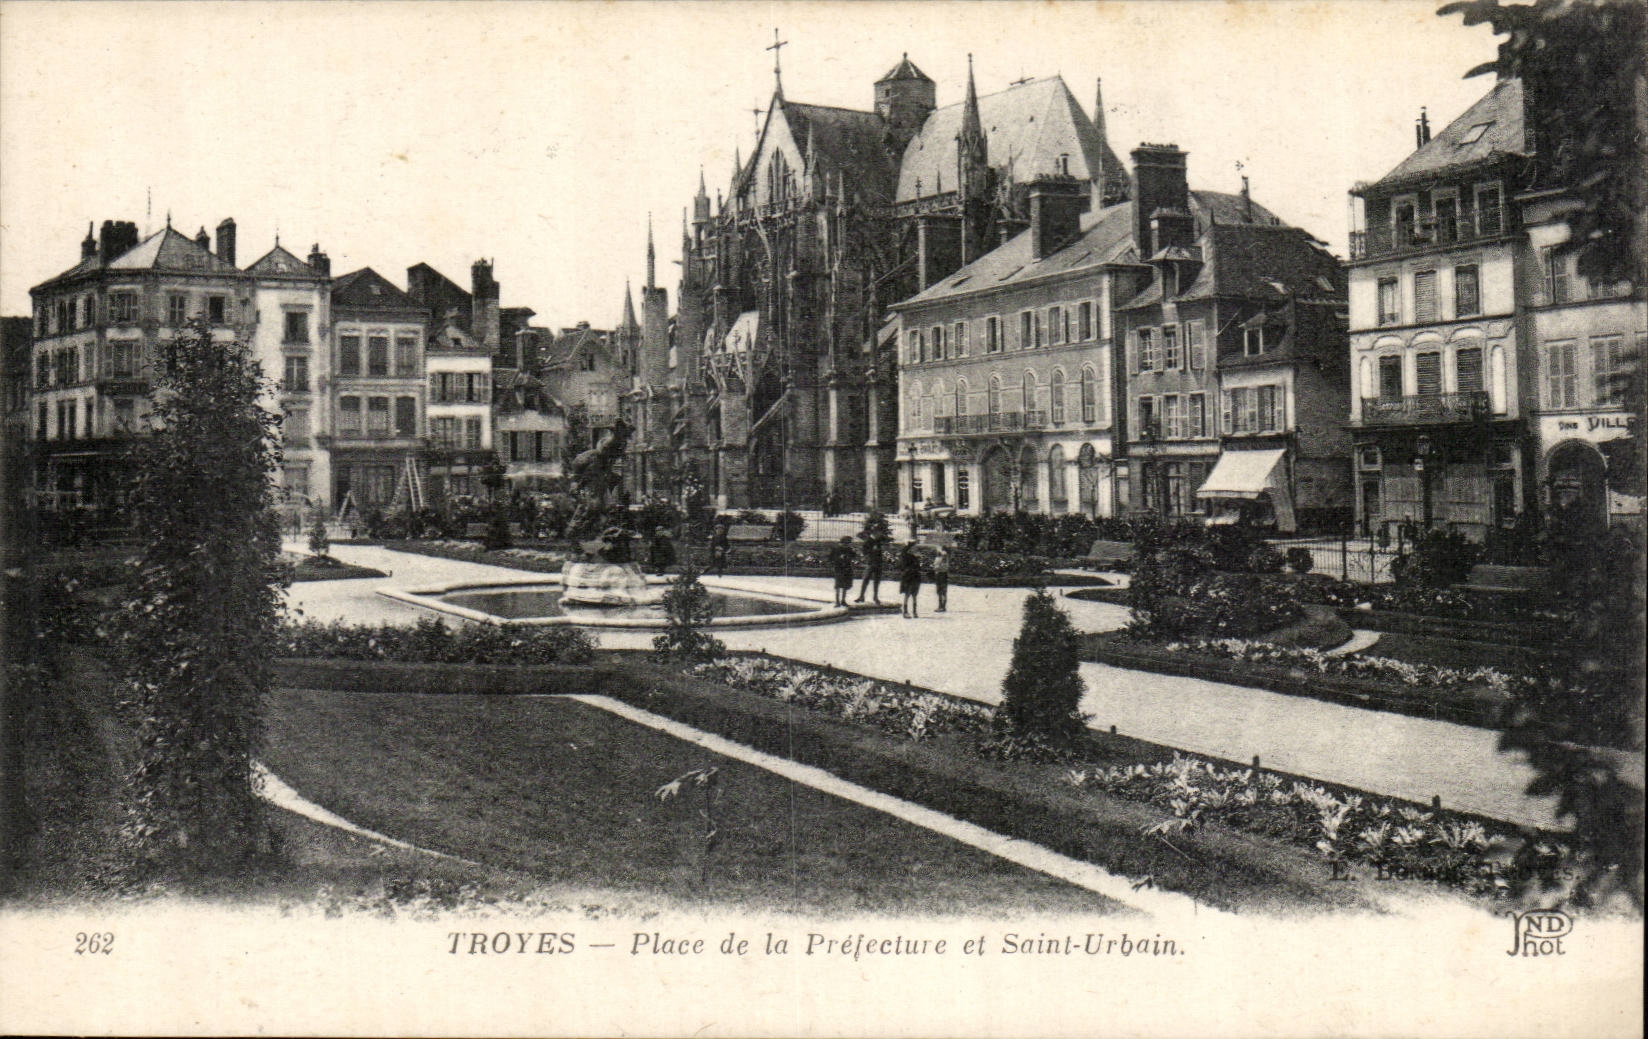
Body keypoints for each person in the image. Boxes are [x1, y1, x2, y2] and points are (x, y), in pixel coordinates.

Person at [827, 535, 857, 607]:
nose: (847, 545)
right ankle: (837, 601)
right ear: (842, 543)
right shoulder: (836, 549)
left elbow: (853, 556)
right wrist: (838, 559)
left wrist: (854, 552)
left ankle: (843, 600)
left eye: (848, 543)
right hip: (839, 568)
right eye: (846, 543)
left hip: (847, 568)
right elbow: (830, 558)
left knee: (845, 585)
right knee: (838, 585)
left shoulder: (849, 549)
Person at [855, 533, 884, 604]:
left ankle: (875, 597)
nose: (879, 534)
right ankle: (861, 596)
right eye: (878, 532)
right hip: (871, 563)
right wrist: (870, 556)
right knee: (866, 579)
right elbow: (864, 552)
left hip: (878, 563)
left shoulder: (878, 541)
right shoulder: (868, 541)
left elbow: (880, 553)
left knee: (877, 580)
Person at [898, 540, 923, 619]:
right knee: (907, 594)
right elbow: (903, 565)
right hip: (908, 576)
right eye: (913, 547)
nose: (915, 549)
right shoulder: (905, 556)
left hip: (915, 576)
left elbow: (918, 567)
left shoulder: (915, 557)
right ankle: (905, 611)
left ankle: (914, 611)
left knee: (915, 595)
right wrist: (909, 544)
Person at [931, 544, 950, 612]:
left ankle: (941, 606)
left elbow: (936, 567)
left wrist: (935, 567)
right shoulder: (945, 558)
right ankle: (943, 606)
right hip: (943, 574)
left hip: (940, 574)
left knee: (940, 591)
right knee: (943, 592)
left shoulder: (941, 558)